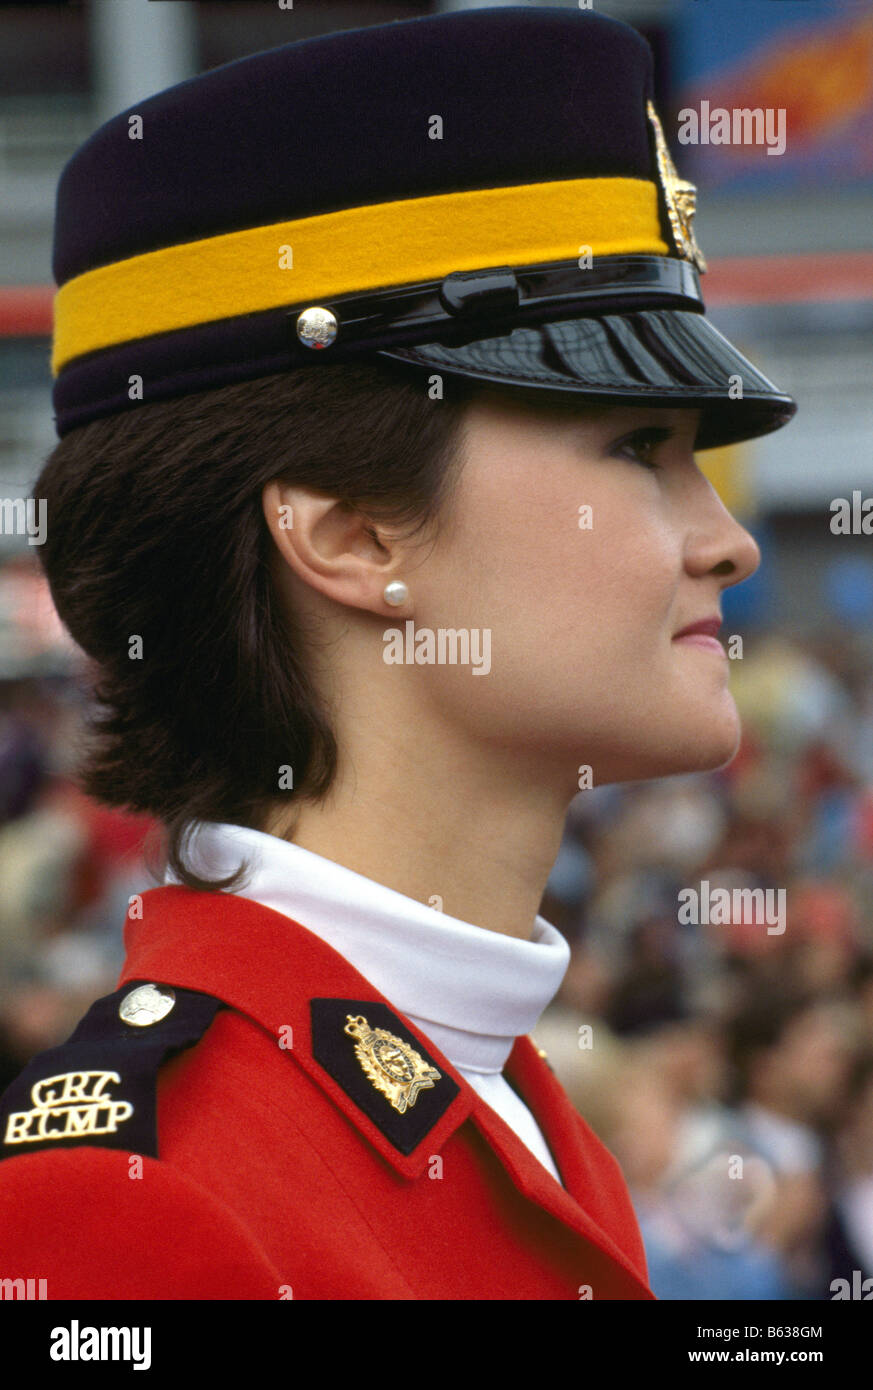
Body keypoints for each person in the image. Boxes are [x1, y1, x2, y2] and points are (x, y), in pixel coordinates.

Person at [0, 6, 796, 1300]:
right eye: (635, 448)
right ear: (354, 534)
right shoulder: (134, 1196)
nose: (724, 541)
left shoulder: (507, 1097)